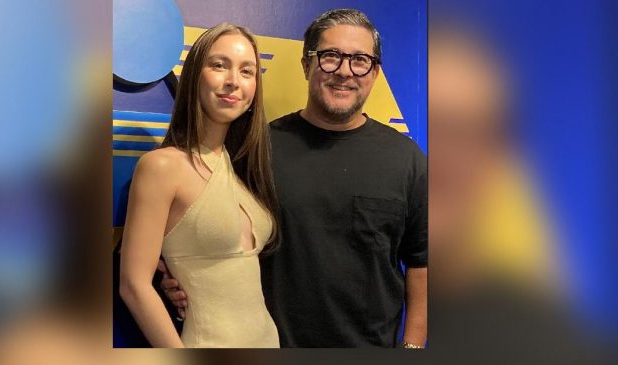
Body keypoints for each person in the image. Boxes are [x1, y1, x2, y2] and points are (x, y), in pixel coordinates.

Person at [162, 9, 428, 348]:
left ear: (374, 73)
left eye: (360, 60)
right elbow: (203, 229)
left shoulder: (407, 160)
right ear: (306, 64)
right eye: (330, 56)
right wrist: (177, 273)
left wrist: (413, 347)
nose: (344, 71)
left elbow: (422, 264)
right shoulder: (254, 151)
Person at [118, 23, 281, 348]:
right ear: (195, 75)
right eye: (219, 65)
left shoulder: (239, 169)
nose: (234, 80)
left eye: (247, 71)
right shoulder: (162, 167)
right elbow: (133, 285)